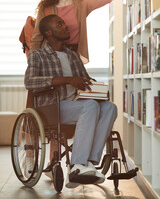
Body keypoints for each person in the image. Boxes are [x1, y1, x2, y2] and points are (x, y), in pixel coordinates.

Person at [24, 14, 117, 188]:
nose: (66, 26)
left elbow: (84, 80)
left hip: (78, 104)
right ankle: (76, 165)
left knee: (110, 108)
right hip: (52, 107)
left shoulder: (73, 55)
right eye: (60, 24)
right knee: (89, 106)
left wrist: (96, 87)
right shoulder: (38, 55)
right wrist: (66, 79)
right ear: (49, 32)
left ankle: (88, 163)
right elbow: (30, 82)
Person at [30, 0, 141, 63]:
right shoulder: (46, 9)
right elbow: (36, 39)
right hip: (50, 59)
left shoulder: (82, 4)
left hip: (73, 57)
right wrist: (34, 63)